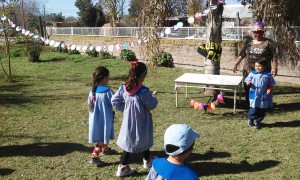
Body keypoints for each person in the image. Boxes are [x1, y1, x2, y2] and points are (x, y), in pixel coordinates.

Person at [111, 61, 158, 177]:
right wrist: (153, 97)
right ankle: (122, 167)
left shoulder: (123, 88)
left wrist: (125, 109)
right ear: (142, 75)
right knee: (132, 142)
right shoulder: (144, 91)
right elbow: (152, 105)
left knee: (135, 139)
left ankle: (147, 160)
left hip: (128, 122)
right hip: (142, 121)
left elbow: (114, 101)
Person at [232, 22, 278, 108]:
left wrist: (274, 68)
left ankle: (263, 105)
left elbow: (274, 57)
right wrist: (235, 64)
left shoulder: (268, 43)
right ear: (253, 33)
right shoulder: (248, 43)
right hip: (249, 70)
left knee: (262, 88)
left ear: (263, 32)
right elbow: (242, 54)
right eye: (255, 32)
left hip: (263, 72)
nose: (257, 34)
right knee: (248, 87)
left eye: (260, 32)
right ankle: (249, 104)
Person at [88, 66, 116, 165]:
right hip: (104, 119)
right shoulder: (107, 92)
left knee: (102, 134)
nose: (109, 79)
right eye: (108, 77)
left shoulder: (92, 90)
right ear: (104, 78)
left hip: (95, 119)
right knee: (101, 137)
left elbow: (89, 104)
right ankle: (94, 156)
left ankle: (105, 149)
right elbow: (116, 101)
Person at [245, 60, 276, 129]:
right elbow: (247, 80)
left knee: (262, 110)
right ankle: (251, 119)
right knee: (253, 109)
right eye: (256, 66)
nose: (257, 68)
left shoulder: (268, 75)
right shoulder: (252, 73)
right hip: (254, 95)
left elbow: (271, 84)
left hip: (263, 95)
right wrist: (248, 83)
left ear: (264, 66)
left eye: (259, 66)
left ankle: (258, 121)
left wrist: (269, 89)